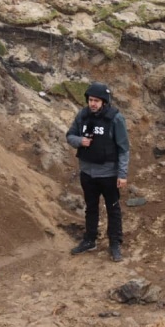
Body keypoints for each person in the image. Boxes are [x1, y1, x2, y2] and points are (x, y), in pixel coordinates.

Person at [65, 82, 130, 262]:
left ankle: (115, 244)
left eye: (96, 101)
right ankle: (89, 240)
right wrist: (80, 141)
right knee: (91, 207)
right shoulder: (82, 115)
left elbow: (124, 149)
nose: (93, 104)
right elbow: (69, 136)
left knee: (113, 209)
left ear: (104, 102)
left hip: (109, 174)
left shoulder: (115, 119)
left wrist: (122, 174)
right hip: (87, 173)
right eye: (91, 100)